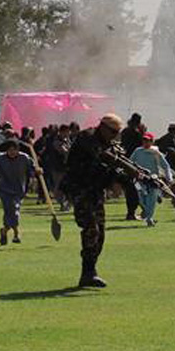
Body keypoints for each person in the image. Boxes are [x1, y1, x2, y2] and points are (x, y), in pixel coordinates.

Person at [65, 114, 127, 287]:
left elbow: (111, 165)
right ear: (103, 127)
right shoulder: (88, 138)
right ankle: (87, 272)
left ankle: (90, 272)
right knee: (91, 229)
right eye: (113, 131)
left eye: (117, 132)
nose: (115, 136)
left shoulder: (109, 144)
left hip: (95, 191)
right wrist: (114, 174)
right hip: (80, 189)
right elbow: (99, 161)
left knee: (100, 232)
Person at [0, 140, 35, 245]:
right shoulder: (0, 158)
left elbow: (32, 168)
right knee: (12, 211)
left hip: (19, 190)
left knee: (12, 212)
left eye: (14, 150)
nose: (12, 152)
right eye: (10, 150)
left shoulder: (24, 158)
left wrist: (36, 172)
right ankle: (16, 234)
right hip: (5, 190)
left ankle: (4, 231)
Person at [129, 132, 172, 226]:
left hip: (153, 180)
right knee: (141, 199)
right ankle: (149, 210)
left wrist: (169, 178)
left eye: (148, 140)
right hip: (139, 179)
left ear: (152, 142)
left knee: (151, 200)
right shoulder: (137, 151)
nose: (145, 142)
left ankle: (149, 219)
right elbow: (130, 162)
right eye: (144, 140)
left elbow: (166, 166)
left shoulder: (155, 153)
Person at [118, 113, 144, 221]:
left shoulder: (124, 131)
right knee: (136, 189)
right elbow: (141, 145)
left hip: (125, 163)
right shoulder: (136, 133)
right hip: (134, 164)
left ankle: (131, 212)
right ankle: (132, 212)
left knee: (131, 189)